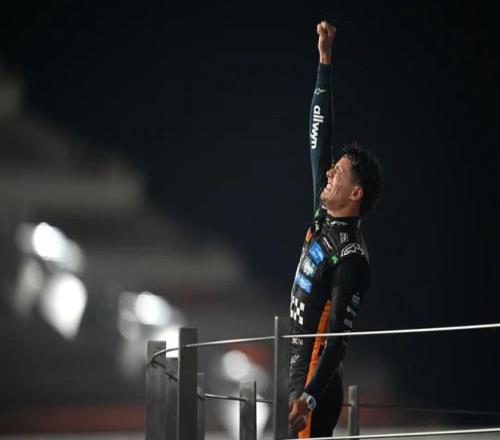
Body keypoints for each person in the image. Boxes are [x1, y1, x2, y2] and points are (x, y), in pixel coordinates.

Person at [287, 21, 383, 438]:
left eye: (338, 173)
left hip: (314, 392)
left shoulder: (352, 258)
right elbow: (318, 139)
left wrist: (307, 399)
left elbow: (338, 343)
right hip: (296, 381)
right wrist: (324, 60)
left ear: (355, 193)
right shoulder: (322, 214)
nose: (327, 173)